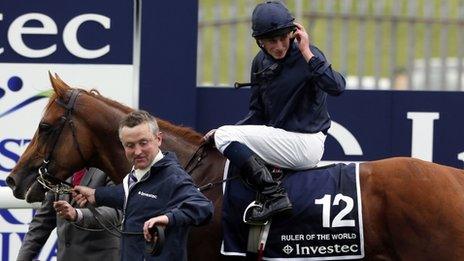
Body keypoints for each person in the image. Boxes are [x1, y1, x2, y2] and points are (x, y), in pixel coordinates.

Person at [204, 0, 346, 223]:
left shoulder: (307, 54)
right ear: (260, 41)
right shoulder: (259, 63)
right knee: (224, 134)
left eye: (283, 38)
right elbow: (257, 114)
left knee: (224, 134)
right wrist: (228, 132)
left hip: (307, 143)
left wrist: (307, 52)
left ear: (293, 33)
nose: (280, 46)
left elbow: (337, 87)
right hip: (280, 142)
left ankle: (275, 196)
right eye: (272, 41)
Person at [73, 110, 213, 261]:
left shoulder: (173, 177)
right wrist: (95, 195)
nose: (137, 151)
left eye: (143, 143)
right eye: (130, 145)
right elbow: (132, 194)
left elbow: (203, 207)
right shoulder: (137, 174)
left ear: (158, 139)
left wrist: (167, 219)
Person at [16, 168, 121, 261]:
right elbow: (41, 224)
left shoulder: (108, 167)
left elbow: (115, 214)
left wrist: (77, 214)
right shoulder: (59, 171)